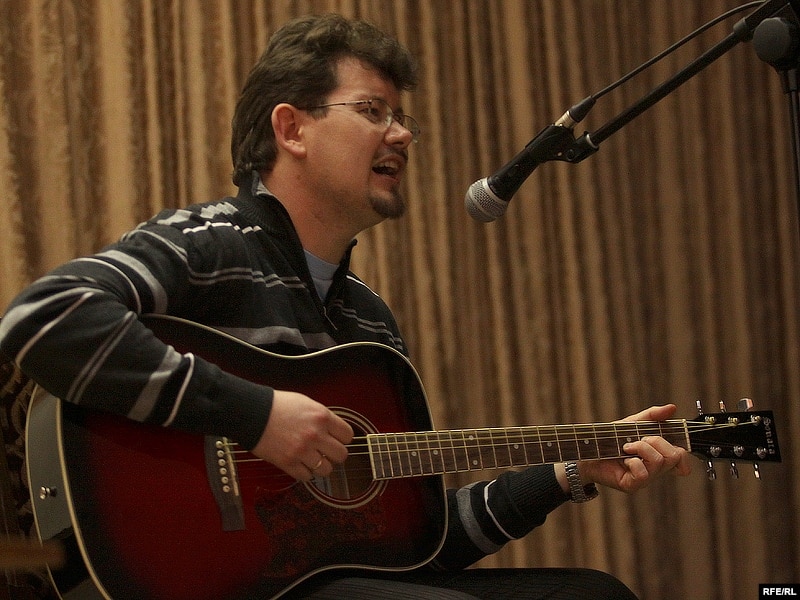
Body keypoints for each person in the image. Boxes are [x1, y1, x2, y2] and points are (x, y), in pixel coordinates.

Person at [0, 13, 691, 600]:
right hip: (194, 581)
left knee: (593, 594)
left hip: (314, 583)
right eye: (372, 111)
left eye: (401, 117)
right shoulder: (211, 241)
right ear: (292, 129)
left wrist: (568, 471)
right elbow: (44, 319)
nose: (402, 135)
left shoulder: (366, 321)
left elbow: (418, 544)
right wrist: (256, 414)